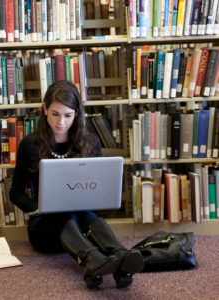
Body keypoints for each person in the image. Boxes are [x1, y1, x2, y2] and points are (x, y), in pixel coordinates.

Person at [10, 80, 144, 289]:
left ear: (76, 114)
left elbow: (97, 191)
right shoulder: (30, 144)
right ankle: (101, 258)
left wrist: (101, 199)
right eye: (55, 113)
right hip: (45, 227)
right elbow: (15, 193)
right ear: (45, 109)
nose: (61, 122)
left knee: (82, 213)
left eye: (67, 115)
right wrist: (37, 209)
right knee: (67, 216)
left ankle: (116, 255)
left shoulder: (90, 143)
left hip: (85, 223)